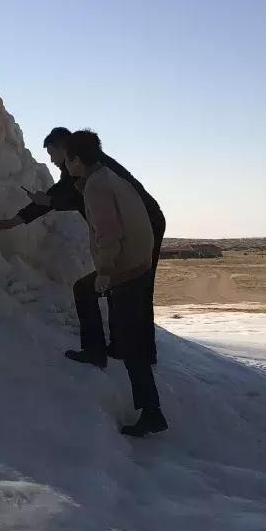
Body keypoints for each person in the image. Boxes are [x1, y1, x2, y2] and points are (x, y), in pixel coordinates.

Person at [0, 127, 166, 369]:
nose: (51, 160)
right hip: (134, 228)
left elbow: (78, 203)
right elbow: (59, 196)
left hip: (144, 227)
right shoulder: (83, 169)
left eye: (52, 154)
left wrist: (106, 268)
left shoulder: (95, 175)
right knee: (120, 286)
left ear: (66, 150)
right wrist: (16, 220)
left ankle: (137, 353)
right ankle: (122, 348)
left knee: (135, 287)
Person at [63, 131, 167, 437]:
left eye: (67, 159)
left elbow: (109, 235)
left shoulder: (97, 186)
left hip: (125, 270)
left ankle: (152, 412)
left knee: (129, 342)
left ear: (77, 160)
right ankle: (96, 350)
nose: (65, 166)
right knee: (85, 291)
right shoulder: (107, 176)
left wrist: (106, 273)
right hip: (136, 264)